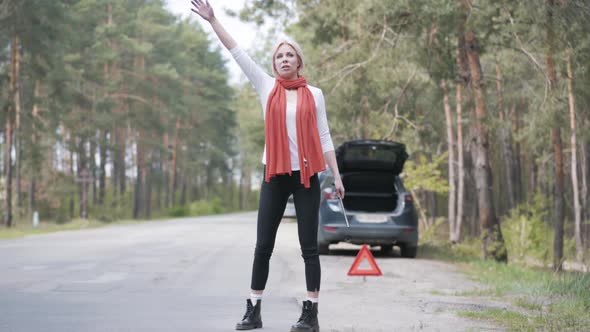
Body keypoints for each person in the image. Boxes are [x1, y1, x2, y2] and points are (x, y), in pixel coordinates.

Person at [190, 1, 345, 331]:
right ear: (274, 63)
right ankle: (253, 310)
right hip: (274, 176)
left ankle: (310, 314)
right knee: (263, 246)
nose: (284, 59)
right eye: (279, 55)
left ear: (299, 61)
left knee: (308, 248)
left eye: (290, 54)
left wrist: (337, 174)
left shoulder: (314, 95)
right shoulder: (266, 86)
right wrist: (213, 20)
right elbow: (236, 50)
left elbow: (324, 135)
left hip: (305, 177)